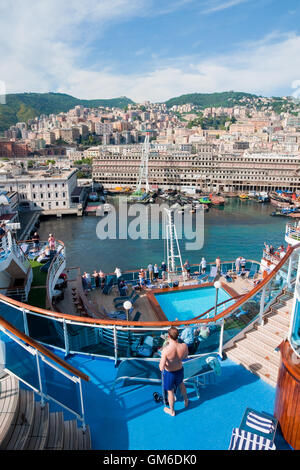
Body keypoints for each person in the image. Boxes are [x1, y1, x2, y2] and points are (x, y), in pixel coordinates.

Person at [159, 327, 189, 417]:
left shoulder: (166, 350)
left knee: (170, 392)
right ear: (178, 335)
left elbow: (161, 367)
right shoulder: (184, 346)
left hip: (170, 374)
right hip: (180, 370)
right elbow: (185, 356)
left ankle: (172, 411)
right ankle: (186, 400)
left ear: (168, 336)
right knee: (181, 384)